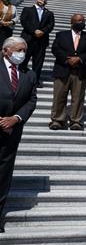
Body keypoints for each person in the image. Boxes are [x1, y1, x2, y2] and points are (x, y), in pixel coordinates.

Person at [0, 37, 38, 233]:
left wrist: (15, 118)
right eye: (19, 50)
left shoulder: (29, 74)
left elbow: (31, 101)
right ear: (6, 51)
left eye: (24, 50)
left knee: (4, 173)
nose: (22, 54)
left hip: (12, 131)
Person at [49, 14, 86, 131]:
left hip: (80, 72)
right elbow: (55, 49)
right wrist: (67, 59)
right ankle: (57, 120)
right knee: (59, 96)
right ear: (72, 22)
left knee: (78, 97)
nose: (80, 22)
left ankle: (76, 121)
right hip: (63, 69)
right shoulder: (61, 35)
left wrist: (79, 58)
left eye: (82, 21)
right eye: (78, 20)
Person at [19, 0, 55, 85]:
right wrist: (34, 31)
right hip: (28, 39)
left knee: (38, 63)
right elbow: (24, 22)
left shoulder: (49, 13)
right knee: (24, 60)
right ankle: (21, 79)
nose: (43, 0)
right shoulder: (27, 9)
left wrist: (42, 32)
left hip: (41, 41)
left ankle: (35, 81)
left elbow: (51, 25)